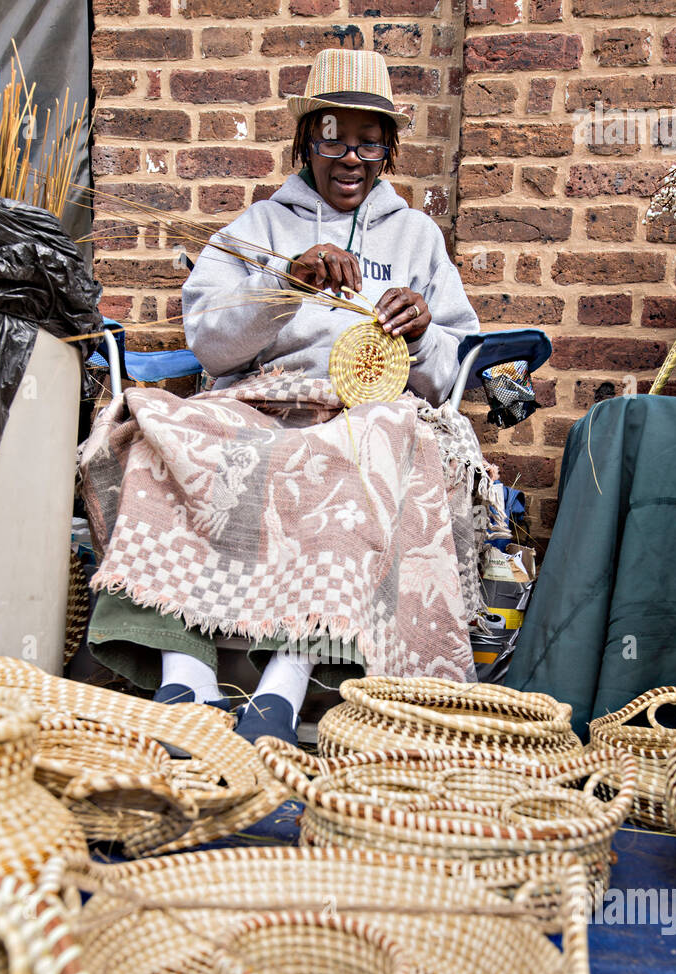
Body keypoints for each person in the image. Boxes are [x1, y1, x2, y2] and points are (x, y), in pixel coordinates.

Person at [84, 49, 485, 745]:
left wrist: (423, 335)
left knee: (366, 446)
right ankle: (189, 678)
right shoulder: (258, 228)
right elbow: (210, 343)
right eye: (331, 135)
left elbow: (455, 374)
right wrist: (283, 292)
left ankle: (281, 689)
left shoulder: (417, 236)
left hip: (361, 410)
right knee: (160, 433)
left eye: (368, 140)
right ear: (305, 142)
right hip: (259, 401)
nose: (350, 156)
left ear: (388, 150)